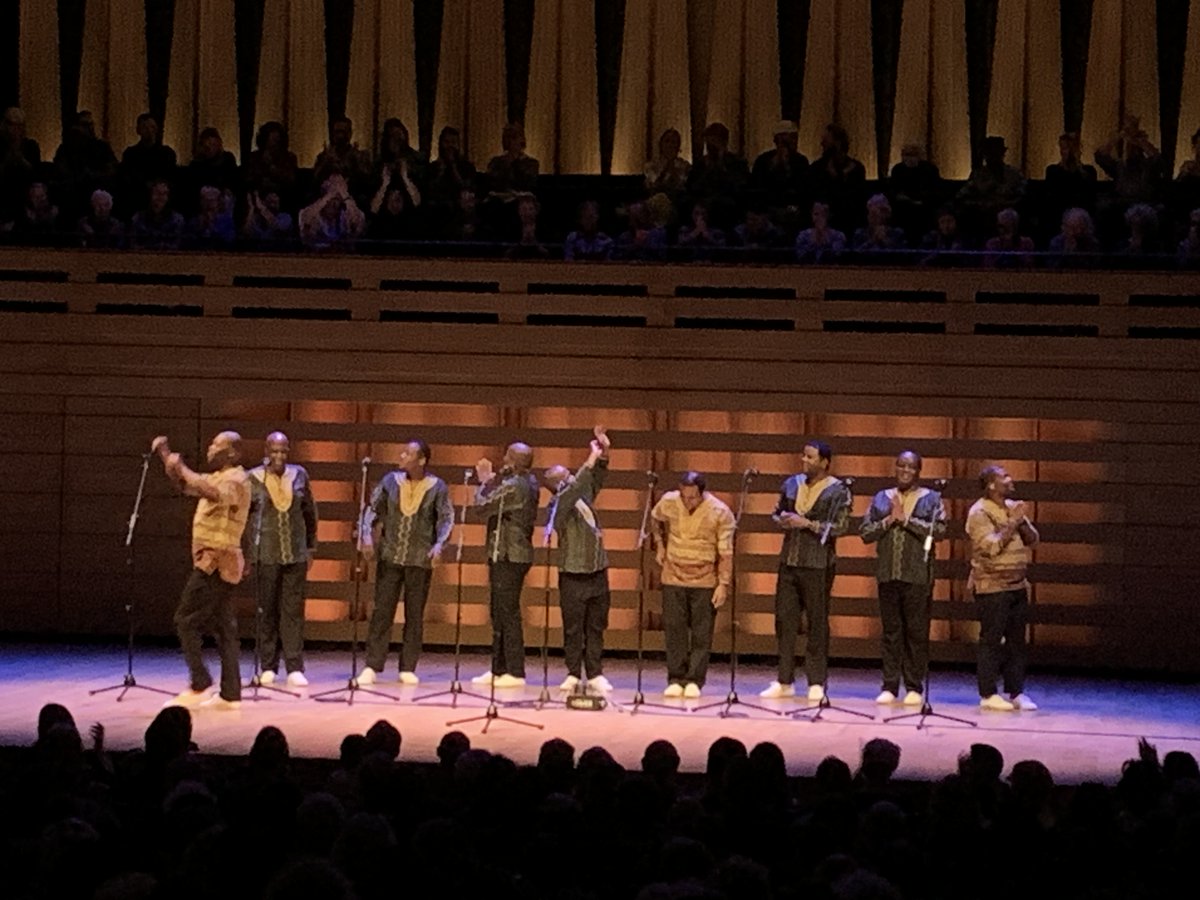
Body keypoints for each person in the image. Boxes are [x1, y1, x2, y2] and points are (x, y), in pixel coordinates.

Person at [151, 431, 250, 710]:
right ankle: (231, 694)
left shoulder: (237, 479)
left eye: (216, 444)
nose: (210, 447)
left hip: (216, 561)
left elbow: (209, 490)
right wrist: (167, 459)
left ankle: (200, 682)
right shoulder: (218, 476)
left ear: (231, 453)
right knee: (223, 627)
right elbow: (188, 486)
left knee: (185, 619)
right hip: (215, 561)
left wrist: (179, 464)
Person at [759, 441, 850, 702]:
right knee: (785, 622)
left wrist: (807, 523)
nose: (804, 460)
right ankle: (784, 680)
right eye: (804, 456)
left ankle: (816, 681)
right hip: (790, 561)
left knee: (817, 623)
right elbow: (776, 512)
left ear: (824, 462)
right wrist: (783, 520)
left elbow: (841, 526)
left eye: (810, 457)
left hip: (818, 563)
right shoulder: (791, 483)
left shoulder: (838, 490)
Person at [359, 440, 453, 685]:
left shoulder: (437, 486)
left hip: (419, 560)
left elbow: (445, 519)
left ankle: (408, 666)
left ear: (421, 460)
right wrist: (366, 535)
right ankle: (372, 664)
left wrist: (439, 544)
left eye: (408, 453)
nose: (402, 456)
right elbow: (372, 509)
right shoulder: (391, 481)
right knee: (382, 612)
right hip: (391, 556)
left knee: (414, 614)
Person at [858, 451, 946, 706]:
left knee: (916, 633)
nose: (905, 471)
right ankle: (889, 685)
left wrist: (907, 521)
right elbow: (865, 532)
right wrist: (889, 520)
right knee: (891, 633)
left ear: (919, 471)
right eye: (901, 466)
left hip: (917, 575)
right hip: (888, 574)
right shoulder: (881, 497)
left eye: (911, 467)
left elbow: (939, 531)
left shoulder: (932, 499)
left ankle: (914, 686)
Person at [651, 472, 735, 698]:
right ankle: (675, 677)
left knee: (701, 632)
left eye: (692, 497)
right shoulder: (669, 501)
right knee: (674, 629)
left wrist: (723, 584)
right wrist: (659, 545)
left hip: (705, 578)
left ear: (702, 493)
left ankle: (694, 680)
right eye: (684, 496)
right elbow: (654, 518)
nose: (688, 501)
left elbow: (726, 552)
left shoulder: (720, 511)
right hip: (673, 575)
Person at [542, 428, 613, 694]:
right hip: (572, 574)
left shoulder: (584, 496)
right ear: (557, 485)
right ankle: (573, 672)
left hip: (596, 570)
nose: (572, 478)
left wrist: (604, 452)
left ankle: (594, 673)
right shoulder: (557, 506)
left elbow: (597, 476)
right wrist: (589, 458)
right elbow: (575, 487)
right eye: (566, 477)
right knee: (573, 627)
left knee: (596, 625)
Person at [247, 432, 319, 688]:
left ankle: (294, 666)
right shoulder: (253, 478)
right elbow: (244, 518)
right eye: (274, 451)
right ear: (266, 450)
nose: (279, 456)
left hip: (295, 553)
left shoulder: (299, 475)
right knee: (266, 610)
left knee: (292, 611)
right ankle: (267, 665)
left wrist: (310, 546)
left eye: (283, 451)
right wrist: (245, 554)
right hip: (265, 552)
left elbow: (310, 512)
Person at [967, 465, 1040, 711]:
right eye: (1004, 477)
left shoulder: (1011, 507)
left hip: (1017, 586)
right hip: (992, 587)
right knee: (991, 641)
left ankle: (1016, 691)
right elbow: (991, 547)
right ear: (991, 485)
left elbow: (1033, 540)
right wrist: (1012, 523)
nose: (1010, 480)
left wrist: (1022, 522)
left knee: (1017, 643)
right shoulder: (979, 512)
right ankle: (988, 694)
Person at [471, 442, 540, 687]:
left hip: (509, 555)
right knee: (499, 611)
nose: (502, 459)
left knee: (507, 613)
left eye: (507, 456)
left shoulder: (515, 486)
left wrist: (484, 480)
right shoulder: (527, 482)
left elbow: (481, 506)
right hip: (507, 553)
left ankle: (514, 671)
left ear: (513, 461)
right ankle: (498, 668)